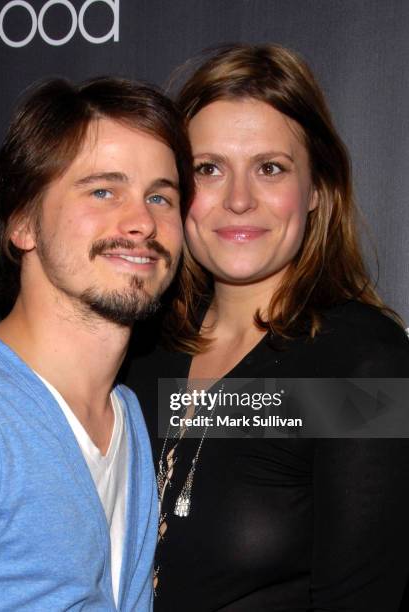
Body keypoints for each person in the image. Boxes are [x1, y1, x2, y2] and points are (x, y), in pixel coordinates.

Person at [124, 44, 409, 611]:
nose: (238, 200)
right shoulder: (139, 350)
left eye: (270, 168)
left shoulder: (362, 366)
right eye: (208, 169)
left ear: (317, 192)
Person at [0, 76, 193, 610]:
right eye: (103, 190)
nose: (141, 221)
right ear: (23, 222)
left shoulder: (126, 413)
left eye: (160, 196)